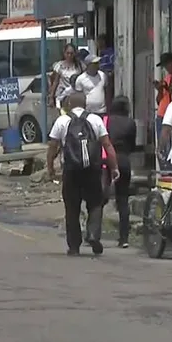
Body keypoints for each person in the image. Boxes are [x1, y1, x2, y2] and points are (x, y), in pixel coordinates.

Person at [46, 92, 119, 256]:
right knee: (95, 203)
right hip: (93, 170)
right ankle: (93, 234)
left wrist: (50, 167)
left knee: (71, 207)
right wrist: (114, 167)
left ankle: (74, 246)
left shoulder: (62, 121)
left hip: (71, 170)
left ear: (69, 104)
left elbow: (52, 147)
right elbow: (107, 145)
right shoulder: (95, 120)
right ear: (85, 104)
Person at [103, 96, 136, 248]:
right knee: (123, 199)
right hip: (123, 160)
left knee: (99, 198)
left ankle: (93, 233)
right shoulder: (130, 123)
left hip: (106, 161)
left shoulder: (106, 120)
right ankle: (124, 238)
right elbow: (132, 145)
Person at [49, 43, 84, 110]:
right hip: (63, 95)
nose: (69, 55)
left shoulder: (80, 65)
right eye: (67, 53)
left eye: (71, 53)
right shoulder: (59, 65)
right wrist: (51, 97)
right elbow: (55, 82)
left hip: (76, 95)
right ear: (64, 53)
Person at [154, 52, 172, 138]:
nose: (166, 68)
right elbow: (159, 101)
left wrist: (168, 88)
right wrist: (160, 90)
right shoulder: (167, 78)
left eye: (167, 64)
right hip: (162, 114)